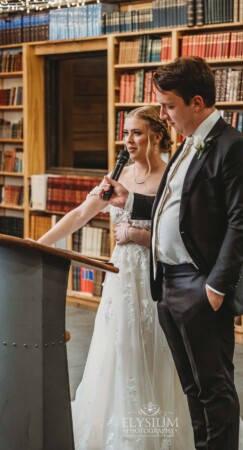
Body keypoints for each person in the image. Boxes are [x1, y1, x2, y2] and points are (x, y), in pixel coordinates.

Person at [103, 57, 243, 450]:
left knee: (214, 388)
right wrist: (132, 201)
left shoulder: (234, 148)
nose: (163, 115)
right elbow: (177, 205)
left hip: (201, 285)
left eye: (169, 106)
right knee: (192, 388)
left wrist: (215, 286)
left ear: (197, 101)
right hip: (169, 284)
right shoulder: (186, 145)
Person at [37, 105, 196, 449]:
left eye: (136, 132)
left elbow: (179, 232)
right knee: (119, 347)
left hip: (158, 278)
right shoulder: (118, 176)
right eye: (125, 133)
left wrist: (136, 234)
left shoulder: (170, 177)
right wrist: (39, 245)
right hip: (121, 277)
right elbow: (81, 212)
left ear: (156, 135)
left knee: (157, 349)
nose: (128, 141)